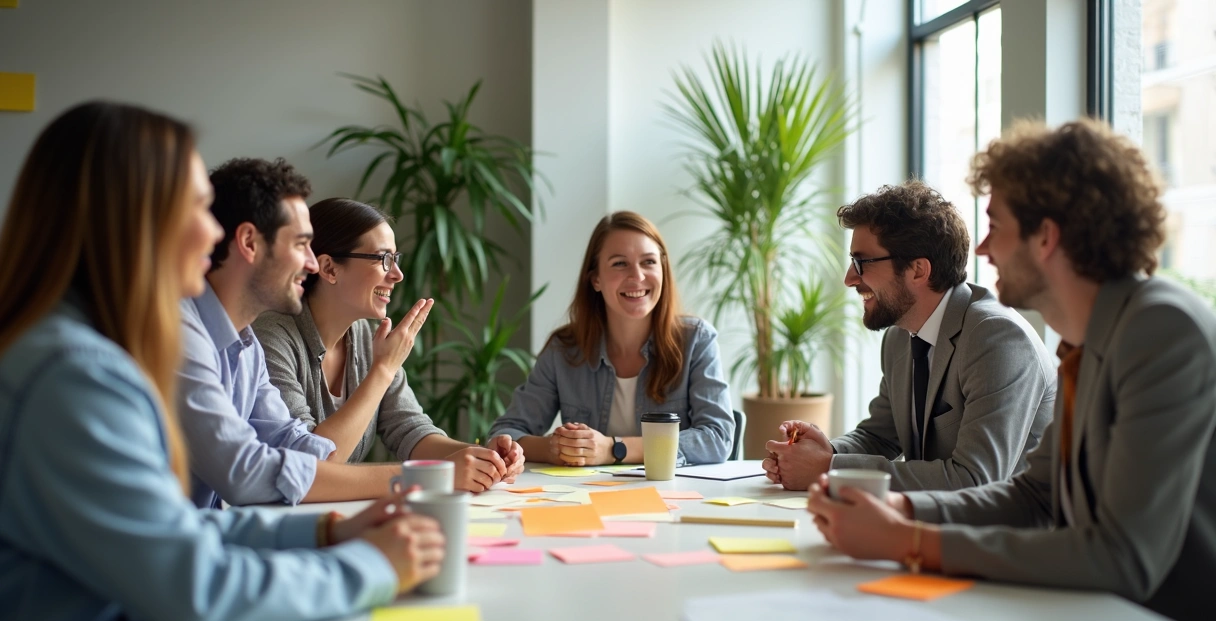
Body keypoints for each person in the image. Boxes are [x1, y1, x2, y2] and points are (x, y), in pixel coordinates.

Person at [0, 101, 444, 621]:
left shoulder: (98, 350)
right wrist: (374, 566)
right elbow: (195, 590)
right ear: (134, 219)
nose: (215, 234)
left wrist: (327, 533)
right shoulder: (78, 376)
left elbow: (178, 528)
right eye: (198, 208)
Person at [806, 119, 1216, 621]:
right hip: (1084, 613)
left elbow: (1123, 556)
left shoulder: (1161, 329)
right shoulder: (1089, 339)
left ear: (1046, 236)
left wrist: (906, 541)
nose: (981, 250)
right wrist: (898, 506)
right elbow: (1033, 497)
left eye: (996, 225)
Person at [177, 158, 445, 508]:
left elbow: (306, 453)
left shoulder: (246, 346)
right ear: (249, 242)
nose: (311, 262)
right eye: (302, 244)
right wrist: (414, 479)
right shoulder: (182, 335)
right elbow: (245, 473)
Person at [763, 181, 1055, 492]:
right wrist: (822, 452)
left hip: (1007, 535)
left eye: (861, 262)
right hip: (936, 526)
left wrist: (829, 469)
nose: (849, 279)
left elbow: (975, 480)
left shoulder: (996, 337)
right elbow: (880, 437)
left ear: (918, 270)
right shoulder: (900, 336)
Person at [252, 197, 524, 492]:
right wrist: (383, 370)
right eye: (383, 259)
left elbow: (410, 429)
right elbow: (310, 467)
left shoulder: (367, 337)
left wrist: (482, 458)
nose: (397, 274)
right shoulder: (271, 338)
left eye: (396, 259)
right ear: (329, 268)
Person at [488, 211, 733, 466]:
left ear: (663, 270)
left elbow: (718, 438)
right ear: (595, 279)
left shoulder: (696, 340)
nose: (637, 276)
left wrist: (614, 448)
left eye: (648, 262)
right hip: (588, 499)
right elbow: (504, 434)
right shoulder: (564, 350)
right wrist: (555, 448)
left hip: (676, 498)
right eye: (619, 263)